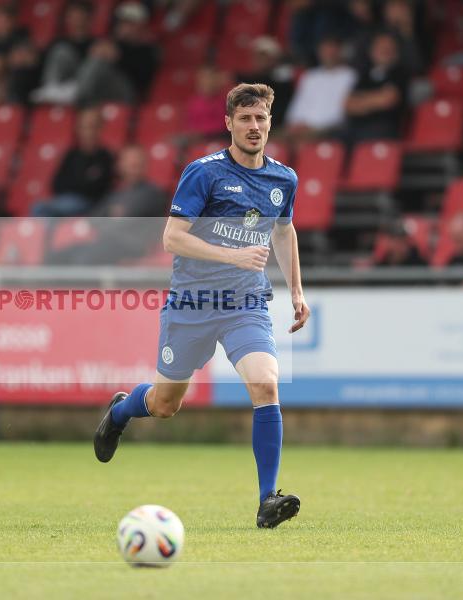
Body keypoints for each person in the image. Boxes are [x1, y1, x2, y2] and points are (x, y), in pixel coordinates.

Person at [94, 83, 310, 529]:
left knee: (266, 385)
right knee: (165, 405)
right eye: (245, 118)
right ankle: (119, 412)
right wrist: (232, 254)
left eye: (261, 118)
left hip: (245, 304)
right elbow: (172, 237)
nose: (254, 127)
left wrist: (296, 291)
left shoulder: (283, 178)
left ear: (271, 122)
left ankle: (268, 499)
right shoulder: (204, 173)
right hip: (192, 303)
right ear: (228, 123)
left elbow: (284, 231)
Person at [46, 145, 167, 265]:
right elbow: (94, 218)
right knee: (58, 257)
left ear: (144, 165)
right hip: (105, 243)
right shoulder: (116, 193)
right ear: (120, 165)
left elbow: (125, 220)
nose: (133, 167)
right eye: (129, 163)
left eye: (136, 163)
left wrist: (109, 221)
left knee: (84, 259)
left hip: (131, 246)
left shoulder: (152, 193)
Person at [30, 108, 115, 217]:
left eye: (91, 126)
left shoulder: (105, 157)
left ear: (100, 129)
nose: (87, 132)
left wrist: (76, 185)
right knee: (40, 207)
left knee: (42, 209)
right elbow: (56, 183)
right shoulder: (71, 154)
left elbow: (99, 189)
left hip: (89, 203)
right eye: (83, 127)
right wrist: (80, 185)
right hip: (65, 200)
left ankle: (46, 234)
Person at [73, 1, 159, 105]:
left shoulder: (148, 48)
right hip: (105, 87)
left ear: (139, 25)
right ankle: (79, 93)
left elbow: (143, 75)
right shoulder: (114, 43)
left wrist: (118, 57)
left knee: (99, 60)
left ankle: (77, 96)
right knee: (95, 57)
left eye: (128, 22)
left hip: (130, 92)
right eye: (121, 22)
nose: (123, 26)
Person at [282, 36, 356, 141]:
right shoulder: (310, 76)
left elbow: (341, 113)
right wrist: (295, 124)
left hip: (328, 129)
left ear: (339, 51)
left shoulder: (349, 75)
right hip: (302, 128)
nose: (329, 53)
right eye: (325, 49)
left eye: (332, 49)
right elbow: (298, 106)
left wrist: (313, 127)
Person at [344, 32, 408, 143]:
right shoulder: (364, 75)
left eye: (388, 48)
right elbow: (348, 104)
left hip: (384, 129)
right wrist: (377, 97)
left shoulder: (399, 73)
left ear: (395, 51)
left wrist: (362, 100)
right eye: (380, 47)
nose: (384, 51)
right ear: (372, 51)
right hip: (356, 129)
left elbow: (388, 100)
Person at [30, 1, 95, 104]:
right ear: (67, 19)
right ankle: (52, 89)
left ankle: (58, 91)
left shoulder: (96, 43)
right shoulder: (58, 42)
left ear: (88, 18)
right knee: (60, 50)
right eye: (73, 16)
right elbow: (43, 63)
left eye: (80, 15)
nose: (76, 20)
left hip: (82, 85)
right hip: (62, 85)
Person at [236, 36, 295, 126]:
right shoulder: (248, 81)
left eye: (264, 56)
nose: (260, 60)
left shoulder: (283, 82)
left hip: (275, 127)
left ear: (274, 58)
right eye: (257, 55)